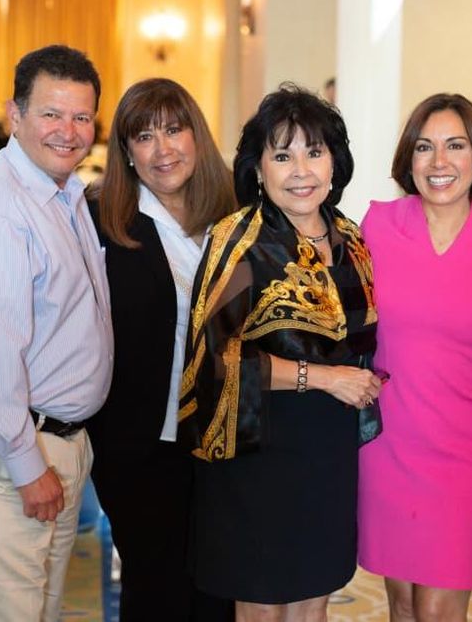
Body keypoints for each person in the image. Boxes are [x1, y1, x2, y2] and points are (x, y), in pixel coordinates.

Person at [179, 83, 382, 621]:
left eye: (315, 153)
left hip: (327, 451)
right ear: (258, 169)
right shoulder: (239, 242)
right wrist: (325, 378)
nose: (301, 170)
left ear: (335, 162)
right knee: (263, 605)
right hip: (256, 452)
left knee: (314, 598)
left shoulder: (350, 237)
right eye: (283, 155)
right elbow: (215, 360)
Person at [0, 45, 114, 621]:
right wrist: (27, 465)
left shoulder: (63, 193)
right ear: (15, 115)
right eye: (51, 114)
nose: (68, 131)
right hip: (4, 452)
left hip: (49, 444)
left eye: (82, 117)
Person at [357, 93, 472, 620]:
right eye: (425, 147)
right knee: (403, 603)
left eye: (455, 146)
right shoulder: (375, 228)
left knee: (437, 609)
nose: (439, 162)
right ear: (409, 159)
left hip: (469, 448)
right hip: (389, 441)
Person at [86, 78, 236, 622]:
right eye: (144, 137)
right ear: (126, 152)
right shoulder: (101, 222)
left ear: (197, 135)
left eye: (175, 130)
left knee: (219, 589)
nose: (163, 149)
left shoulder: (234, 219)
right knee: (158, 591)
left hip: (221, 444)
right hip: (141, 444)